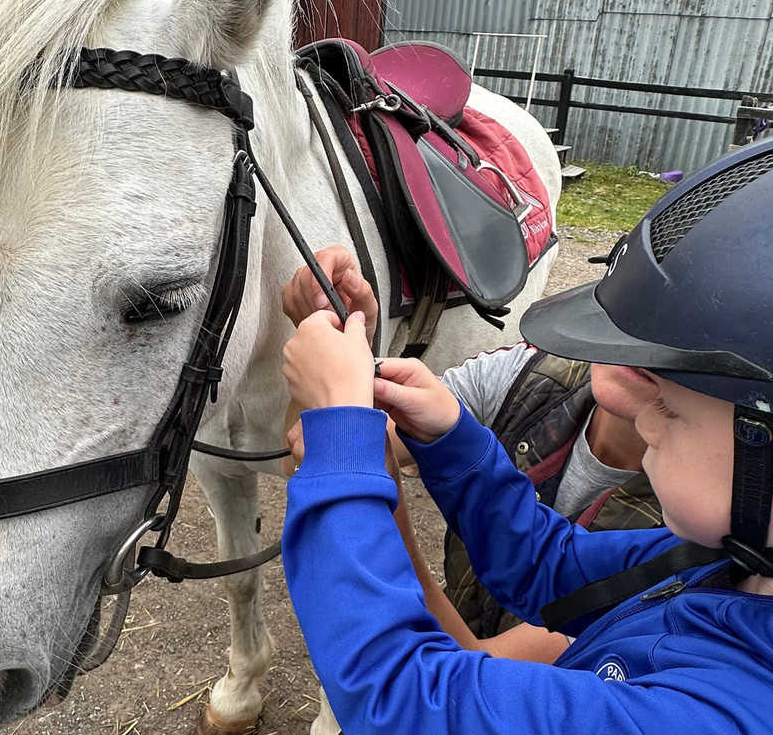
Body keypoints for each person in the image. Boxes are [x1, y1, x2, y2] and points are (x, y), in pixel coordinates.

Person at [280, 123, 773, 734]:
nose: (644, 417)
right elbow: (547, 566)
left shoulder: (746, 716)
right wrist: (450, 436)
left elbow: (403, 699)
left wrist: (343, 440)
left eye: (672, 411)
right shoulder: (747, 561)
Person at [281, 247, 662, 661]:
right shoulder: (528, 373)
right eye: (646, 293)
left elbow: (460, 675)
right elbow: (301, 455)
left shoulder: (690, 554)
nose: (650, 327)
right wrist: (343, 354)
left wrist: (376, 488)